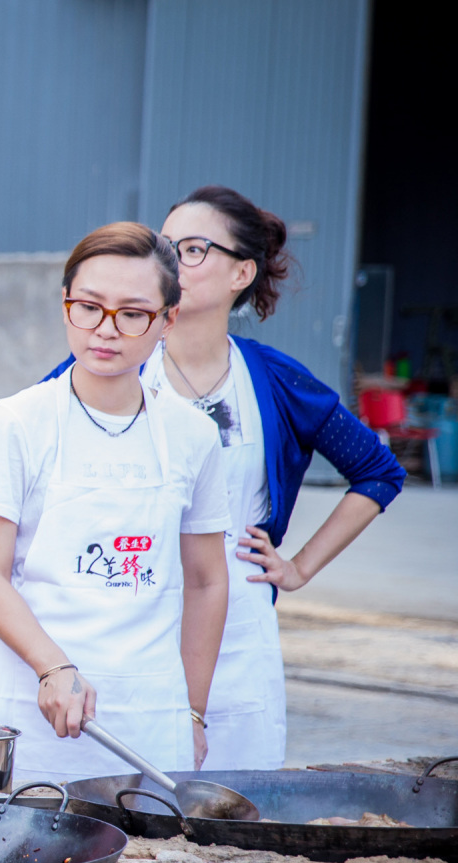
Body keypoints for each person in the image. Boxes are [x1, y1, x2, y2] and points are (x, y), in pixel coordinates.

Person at [41, 187, 405, 771]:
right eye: (166, 244)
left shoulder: (274, 379)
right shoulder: (102, 366)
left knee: (231, 814)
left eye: (192, 248)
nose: (170, 258)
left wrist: (298, 566)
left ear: (242, 271)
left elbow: (377, 471)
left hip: (236, 626)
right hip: (126, 620)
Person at [0, 223, 231, 786]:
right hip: (29, 710)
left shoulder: (192, 436)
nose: (106, 331)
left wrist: (193, 712)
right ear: (65, 306)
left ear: (167, 320)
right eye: (89, 307)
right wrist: (52, 666)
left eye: (132, 314)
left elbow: (207, 581)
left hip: (150, 715)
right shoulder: (19, 422)